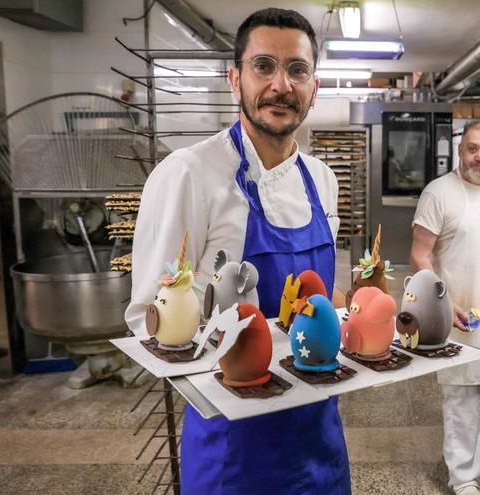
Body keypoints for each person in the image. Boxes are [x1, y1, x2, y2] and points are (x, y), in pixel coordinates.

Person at [125, 8, 350, 494]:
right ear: (235, 78)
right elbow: (149, 318)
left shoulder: (323, 180)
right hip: (235, 438)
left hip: (319, 431)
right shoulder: (190, 174)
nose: (281, 85)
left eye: (297, 70)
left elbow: (321, 300)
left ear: (314, 86)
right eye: (263, 66)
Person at [410, 121, 480, 495]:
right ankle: (463, 478)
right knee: (462, 395)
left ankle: (470, 455)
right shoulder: (439, 193)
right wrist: (446, 299)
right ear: (460, 150)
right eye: (473, 149)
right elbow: (419, 255)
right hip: (457, 312)